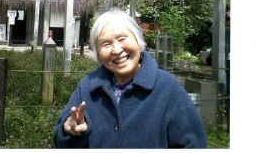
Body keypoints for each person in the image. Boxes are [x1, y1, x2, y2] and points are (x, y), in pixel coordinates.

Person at [53, 8, 207, 149]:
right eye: (106, 44)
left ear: (138, 40)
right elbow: (60, 141)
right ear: (98, 53)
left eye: (122, 39)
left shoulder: (167, 88)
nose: (117, 50)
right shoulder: (87, 86)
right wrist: (70, 132)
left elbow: (193, 144)